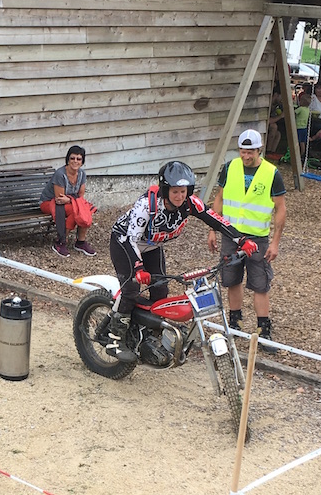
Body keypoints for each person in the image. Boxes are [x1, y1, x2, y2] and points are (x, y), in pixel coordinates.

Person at [105, 161, 244, 362]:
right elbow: (131, 238)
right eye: (175, 192)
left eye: (184, 191)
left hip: (152, 246)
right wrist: (138, 267)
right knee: (130, 290)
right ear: (165, 190)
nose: (180, 196)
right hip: (125, 242)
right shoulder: (148, 205)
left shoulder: (190, 203)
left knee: (160, 290)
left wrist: (241, 239)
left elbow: (216, 220)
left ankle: (149, 336)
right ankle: (114, 339)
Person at [206, 128, 286, 339]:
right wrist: (213, 229)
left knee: (260, 283)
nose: (246, 156)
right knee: (231, 279)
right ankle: (235, 322)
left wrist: (275, 242)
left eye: (250, 152)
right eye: (242, 151)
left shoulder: (271, 173)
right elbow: (220, 198)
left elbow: (281, 209)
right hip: (230, 233)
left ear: (259, 150)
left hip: (257, 237)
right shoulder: (230, 167)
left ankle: (263, 329)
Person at [41, 145, 96, 257]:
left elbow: (80, 195)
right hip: (48, 202)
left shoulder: (82, 174)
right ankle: (60, 242)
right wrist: (73, 200)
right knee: (76, 209)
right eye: (72, 158)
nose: (75, 161)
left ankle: (80, 242)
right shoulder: (60, 174)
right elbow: (59, 199)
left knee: (84, 209)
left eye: (78, 159)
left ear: (82, 161)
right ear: (68, 159)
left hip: (69, 202)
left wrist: (70, 200)